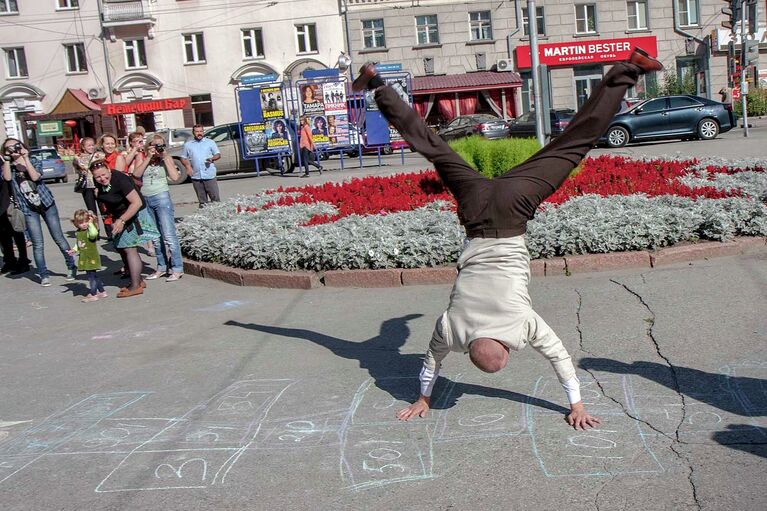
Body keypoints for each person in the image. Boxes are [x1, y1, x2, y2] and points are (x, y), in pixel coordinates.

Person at [351, 48, 664, 430]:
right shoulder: (452, 328)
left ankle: (629, 68)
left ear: (504, 347)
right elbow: (431, 363)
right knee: (432, 145)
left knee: (573, 143)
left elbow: (559, 357)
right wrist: (422, 398)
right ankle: (379, 85)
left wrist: (577, 405)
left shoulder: (521, 324)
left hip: (515, 207)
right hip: (477, 205)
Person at [1, 138, 75, 287]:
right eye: (9, 148)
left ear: (22, 146)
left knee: (58, 237)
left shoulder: (33, 160)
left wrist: (25, 158)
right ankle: (43, 274)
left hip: (47, 204)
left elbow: (35, 176)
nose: (13, 150)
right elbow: (7, 178)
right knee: (37, 243)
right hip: (28, 208)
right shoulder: (9, 167)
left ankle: (71, 266)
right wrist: (7, 160)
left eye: (16, 146)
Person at [90, 159, 160, 297]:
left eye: (104, 175)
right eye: (98, 177)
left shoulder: (120, 180)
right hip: (120, 216)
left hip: (133, 214)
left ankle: (135, 286)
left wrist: (121, 221)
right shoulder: (99, 183)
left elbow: (136, 202)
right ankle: (138, 281)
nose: (102, 179)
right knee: (120, 246)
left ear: (109, 170)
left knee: (129, 248)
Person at [131, 134, 184, 282]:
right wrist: (148, 156)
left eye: (161, 145)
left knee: (168, 234)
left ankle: (177, 268)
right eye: (155, 145)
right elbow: (136, 174)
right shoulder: (142, 157)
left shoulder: (165, 158)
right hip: (146, 198)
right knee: (155, 236)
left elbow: (175, 177)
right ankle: (161, 267)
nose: (158, 148)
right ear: (149, 146)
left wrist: (165, 157)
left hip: (161, 197)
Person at [68, 209, 107, 303]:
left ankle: (93, 294)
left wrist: (91, 223)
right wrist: (74, 249)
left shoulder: (90, 231)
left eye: (86, 221)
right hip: (84, 257)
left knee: (91, 277)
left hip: (91, 257)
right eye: (81, 223)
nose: (84, 224)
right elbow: (79, 243)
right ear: (77, 223)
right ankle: (102, 291)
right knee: (93, 275)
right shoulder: (78, 232)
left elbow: (94, 234)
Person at [181, 124, 221, 208]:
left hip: (209, 175)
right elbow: (183, 158)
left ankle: (218, 218)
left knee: (215, 200)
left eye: (201, 131)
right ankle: (205, 218)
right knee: (202, 202)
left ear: (203, 132)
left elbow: (218, 154)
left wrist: (212, 158)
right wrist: (188, 167)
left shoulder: (210, 142)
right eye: (197, 131)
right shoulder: (188, 145)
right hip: (196, 176)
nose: (199, 133)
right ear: (193, 132)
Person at [73, 137, 105, 232]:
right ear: (83, 147)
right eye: (89, 145)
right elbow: (76, 167)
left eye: (93, 145)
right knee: (91, 210)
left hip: (99, 184)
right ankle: (95, 230)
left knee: (104, 209)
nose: (91, 147)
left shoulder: (99, 155)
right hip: (87, 186)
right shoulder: (78, 157)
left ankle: (109, 231)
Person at [0, 176, 29, 274]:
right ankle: (10, 261)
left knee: (16, 231)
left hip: (6, 200)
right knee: (3, 235)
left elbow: (6, 178)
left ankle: (23, 261)